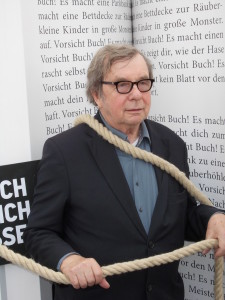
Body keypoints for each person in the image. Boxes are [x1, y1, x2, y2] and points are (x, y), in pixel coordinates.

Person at [24, 44, 225, 300]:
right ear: (97, 94)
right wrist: (69, 260)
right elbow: (38, 233)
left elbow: (179, 217)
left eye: (143, 83)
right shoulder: (64, 152)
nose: (136, 94)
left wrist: (213, 217)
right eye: (122, 85)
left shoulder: (172, 145)